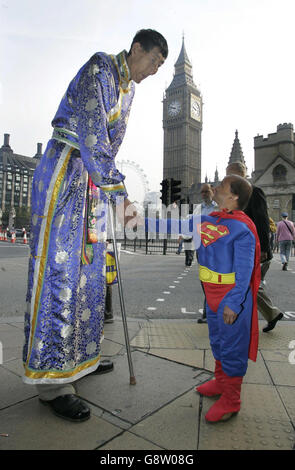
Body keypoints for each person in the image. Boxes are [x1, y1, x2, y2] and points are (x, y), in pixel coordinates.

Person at [22, 29, 168, 422]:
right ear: (137, 48)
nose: (154, 70)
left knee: (88, 275)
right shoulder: (100, 68)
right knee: (60, 276)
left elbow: (109, 144)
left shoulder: (130, 90)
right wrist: (120, 196)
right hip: (66, 175)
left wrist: (109, 190)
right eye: (154, 61)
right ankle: (52, 383)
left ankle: (79, 358)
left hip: (92, 183)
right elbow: (91, 135)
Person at [195, 175, 260, 423]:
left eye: (221, 186)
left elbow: (244, 273)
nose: (215, 188)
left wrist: (234, 303)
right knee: (218, 341)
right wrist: (131, 213)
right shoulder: (209, 218)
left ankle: (232, 399)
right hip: (210, 296)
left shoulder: (242, 229)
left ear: (233, 196)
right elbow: (173, 225)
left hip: (231, 299)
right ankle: (221, 383)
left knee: (232, 347)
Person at [226, 162, 283, 333]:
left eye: (231, 174)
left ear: (241, 174)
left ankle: (260, 317)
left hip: (253, 248)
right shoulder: (235, 195)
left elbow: (262, 220)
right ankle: (271, 314)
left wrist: (264, 248)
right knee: (249, 283)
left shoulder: (254, 191)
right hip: (240, 248)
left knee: (247, 283)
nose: (227, 178)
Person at [197, 183, 217, 324]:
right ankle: (208, 312)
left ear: (212, 191)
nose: (204, 194)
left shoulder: (219, 207)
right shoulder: (198, 209)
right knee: (205, 281)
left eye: (206, 191)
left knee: (214, 281)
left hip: (217, 249)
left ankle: (208, 313)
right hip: (202, 249)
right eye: (202, 192)